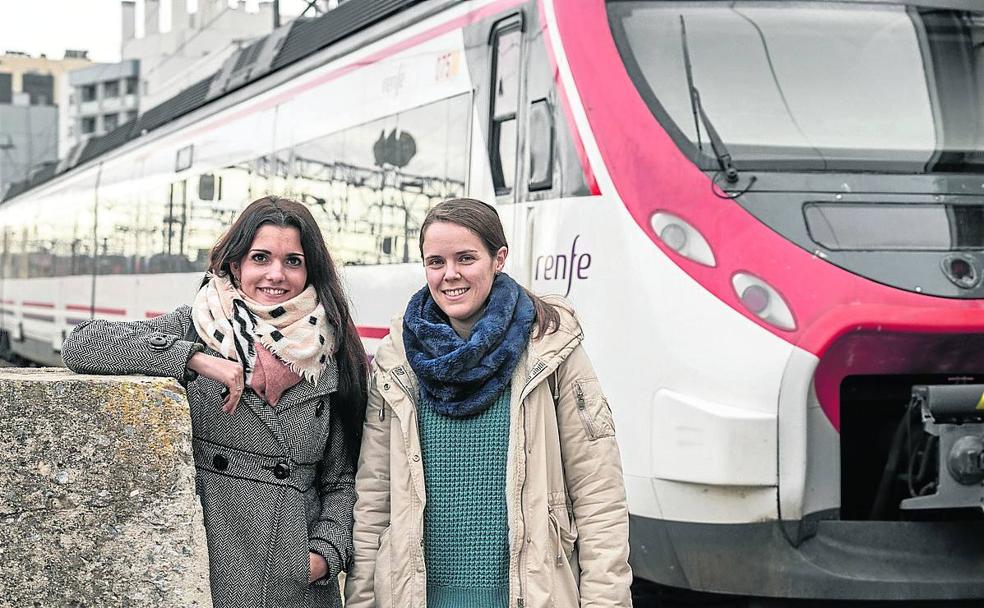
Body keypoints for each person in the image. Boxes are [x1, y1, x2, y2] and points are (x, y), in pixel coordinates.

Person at [62, 196, 368, 608]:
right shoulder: (197, 325)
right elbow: (82, 345)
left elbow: (341, 478)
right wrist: (193, 358)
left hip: (295, 579)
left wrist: (323, 555)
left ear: (310, 268)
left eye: (293, 261)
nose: (276, 274)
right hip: (211, 562)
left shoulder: (334, 346)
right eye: (261, 258)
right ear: (235, 264)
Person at [345, 198, 632, 608]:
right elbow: (374, 497)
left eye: (466, 258)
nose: (450, 275)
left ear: (499, 259)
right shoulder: (398, 359)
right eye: (435, 262)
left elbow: (598, 493)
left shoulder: (550, 348)